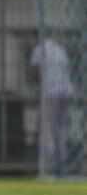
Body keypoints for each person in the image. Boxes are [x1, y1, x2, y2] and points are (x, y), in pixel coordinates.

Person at [30, 37, 75, 175]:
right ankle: (61, 162)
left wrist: (40, 84)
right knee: (60, 128)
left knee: (48, 127)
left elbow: (37, 73)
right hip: (66, 91)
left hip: (51, 92)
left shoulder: (39, 49)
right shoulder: (61, 49)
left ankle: (49, 163)